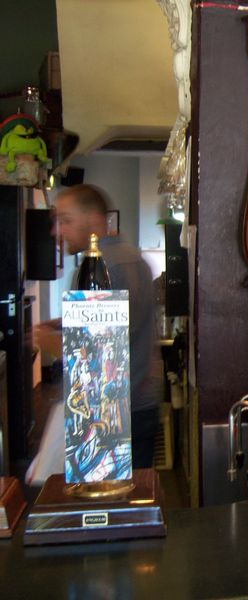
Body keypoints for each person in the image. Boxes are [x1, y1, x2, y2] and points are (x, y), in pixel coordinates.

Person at [37, 183, 162, 469]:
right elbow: (121, 325)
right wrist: (65, 323)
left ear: (94, 221)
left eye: (66, 220)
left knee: (108, 507)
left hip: (111, 415)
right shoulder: (133, 257)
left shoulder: (100, 269)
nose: (57, 232)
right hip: (141, 403)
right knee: (134, 499)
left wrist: (50, 343)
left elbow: (97, 354)